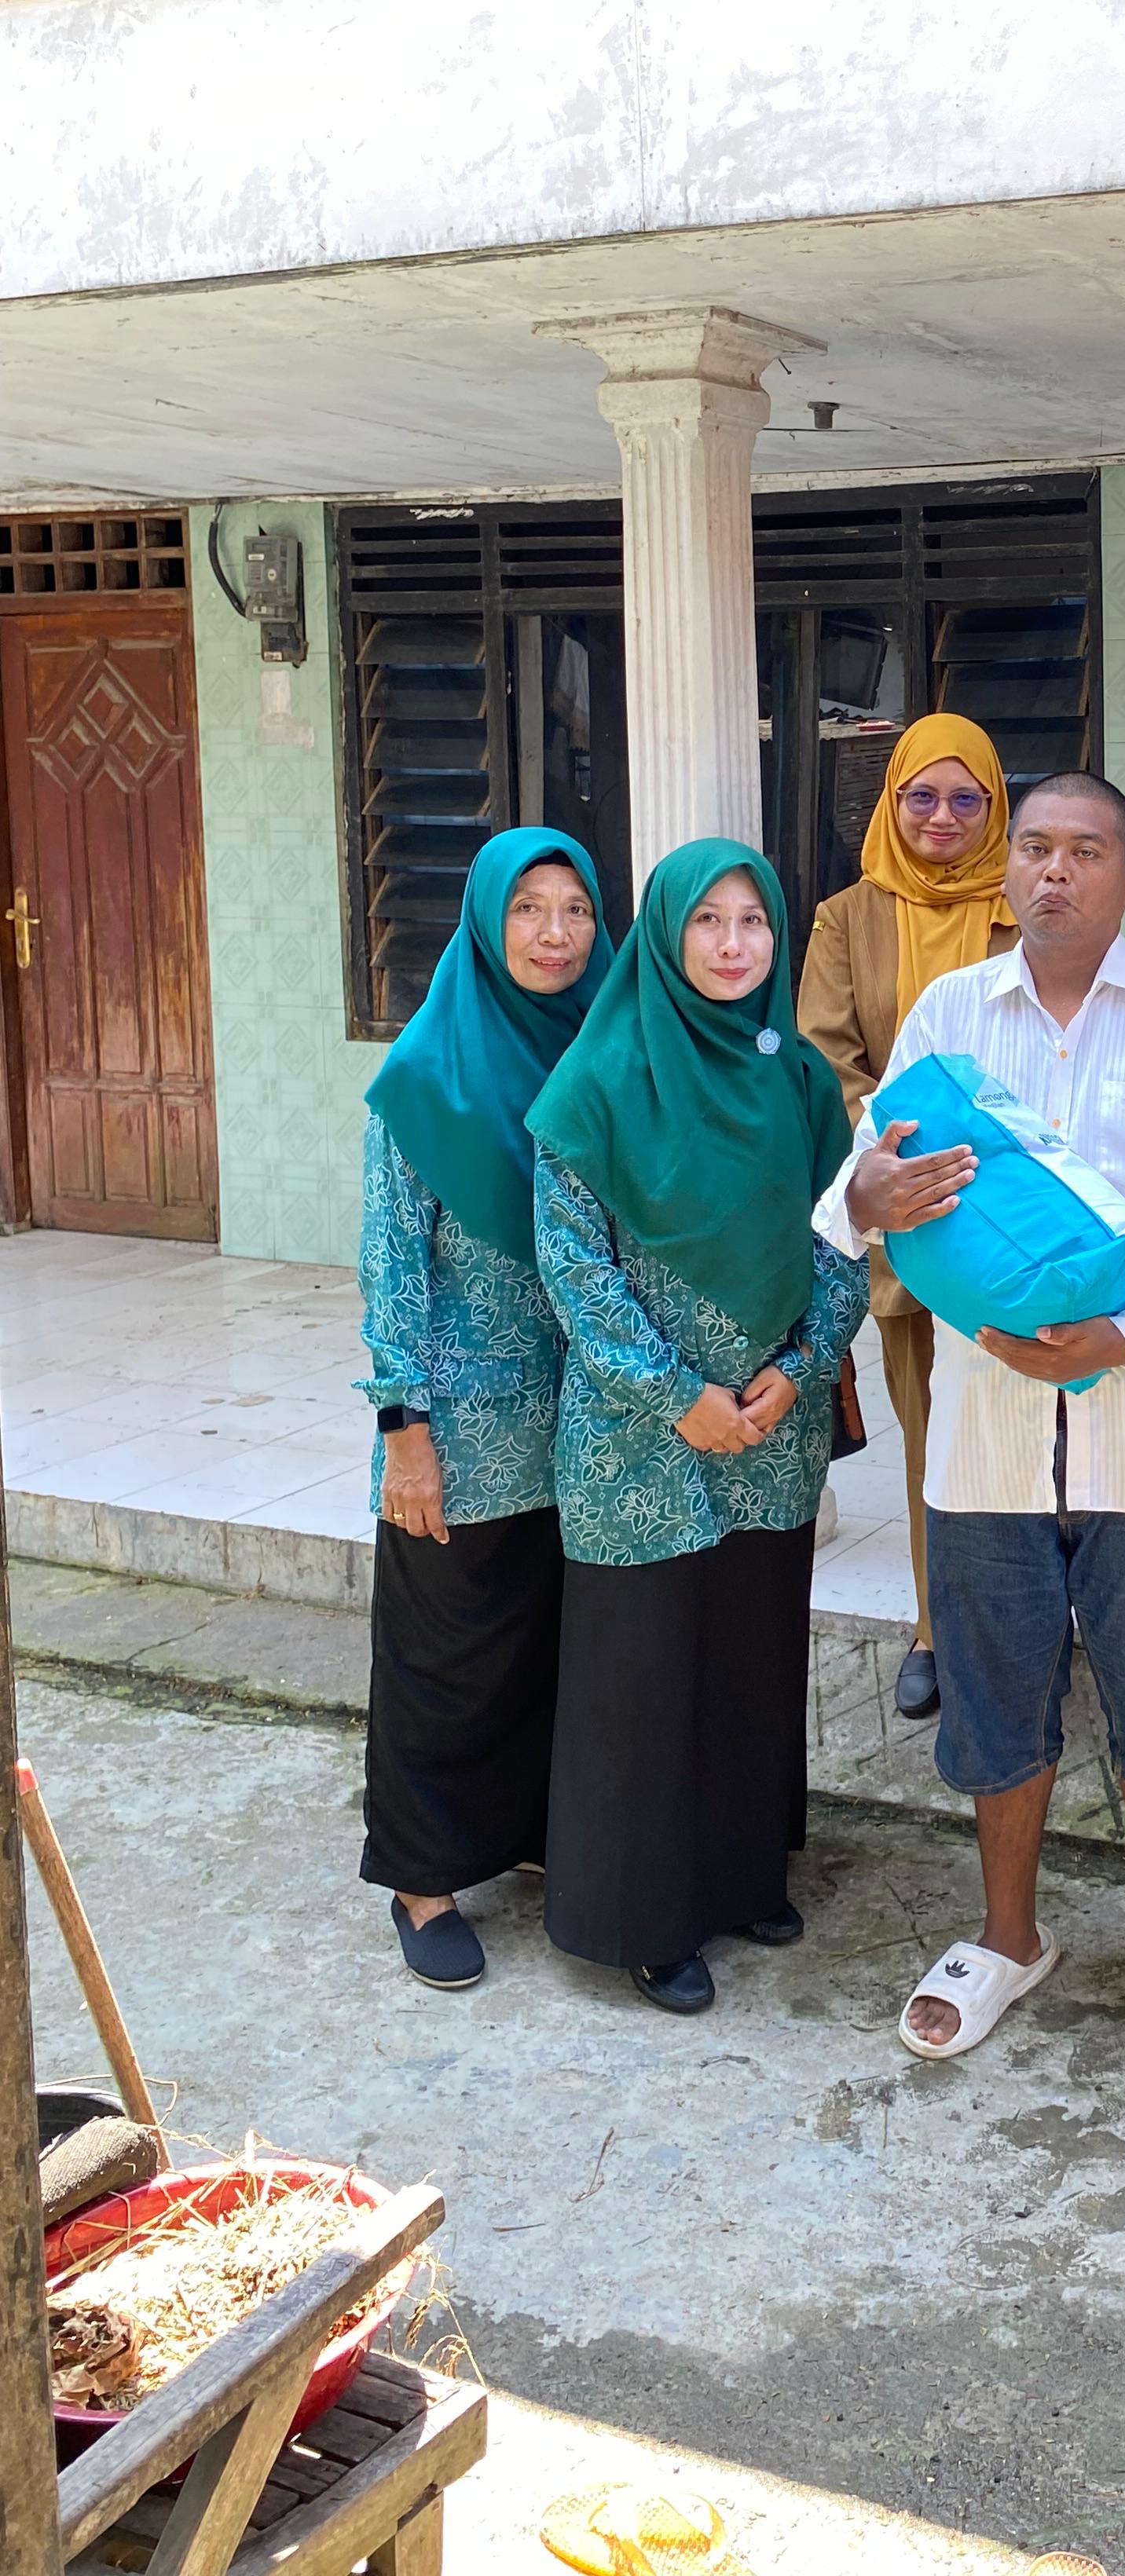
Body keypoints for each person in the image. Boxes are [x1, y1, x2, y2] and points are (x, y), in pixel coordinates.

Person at [814, 773, 1125, 2091]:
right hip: (985, 1440)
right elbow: (859, 1190)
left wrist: (1123, 1335)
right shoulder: (950, 1016)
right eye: (1036, 850)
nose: (1054, 872)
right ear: (1010, 874)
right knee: (995, 1698)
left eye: (1085, 851)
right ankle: (1008, 1937)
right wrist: (869, 1195)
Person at [527, 840, 868, 2016]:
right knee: (641, 1675)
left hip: (771, 1427)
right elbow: (575, 1269)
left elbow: (841, 1238)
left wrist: (802, 1368)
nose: (733, 945)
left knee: (748, 1657)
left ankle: (740, 1877)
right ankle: (645, 1920)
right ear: (666, 935)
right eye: (708, 922)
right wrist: (677, 1394)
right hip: (638, 1441)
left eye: (753, 922)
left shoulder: (801, 1083)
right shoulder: (595, 1082)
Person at [357, 829, 612, 1991]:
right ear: (484, 919)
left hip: (589, 1419)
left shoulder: (604, 1049)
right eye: (528, 909)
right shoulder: (426, 1072)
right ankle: (423, 1879)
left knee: (548, 1647)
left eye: (575, 910)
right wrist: (402, 1429)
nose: (555, 935)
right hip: (460, 1428)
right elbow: (391, 1260)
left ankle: (522, 1834)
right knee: (445, 1654)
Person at [798, 713, 1015, 1727]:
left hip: (1012, 1213)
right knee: (932, 1432)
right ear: (890, 803)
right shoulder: (846, 918)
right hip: (906, 1215)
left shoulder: (1028, 902)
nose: (942, 817)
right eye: (921, 797)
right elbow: (827, 1058)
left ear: (996, 807)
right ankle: (935, 1627)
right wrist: (896, 1163)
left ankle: (1024, 1624)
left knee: (1028, 1426)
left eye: (967, 798)